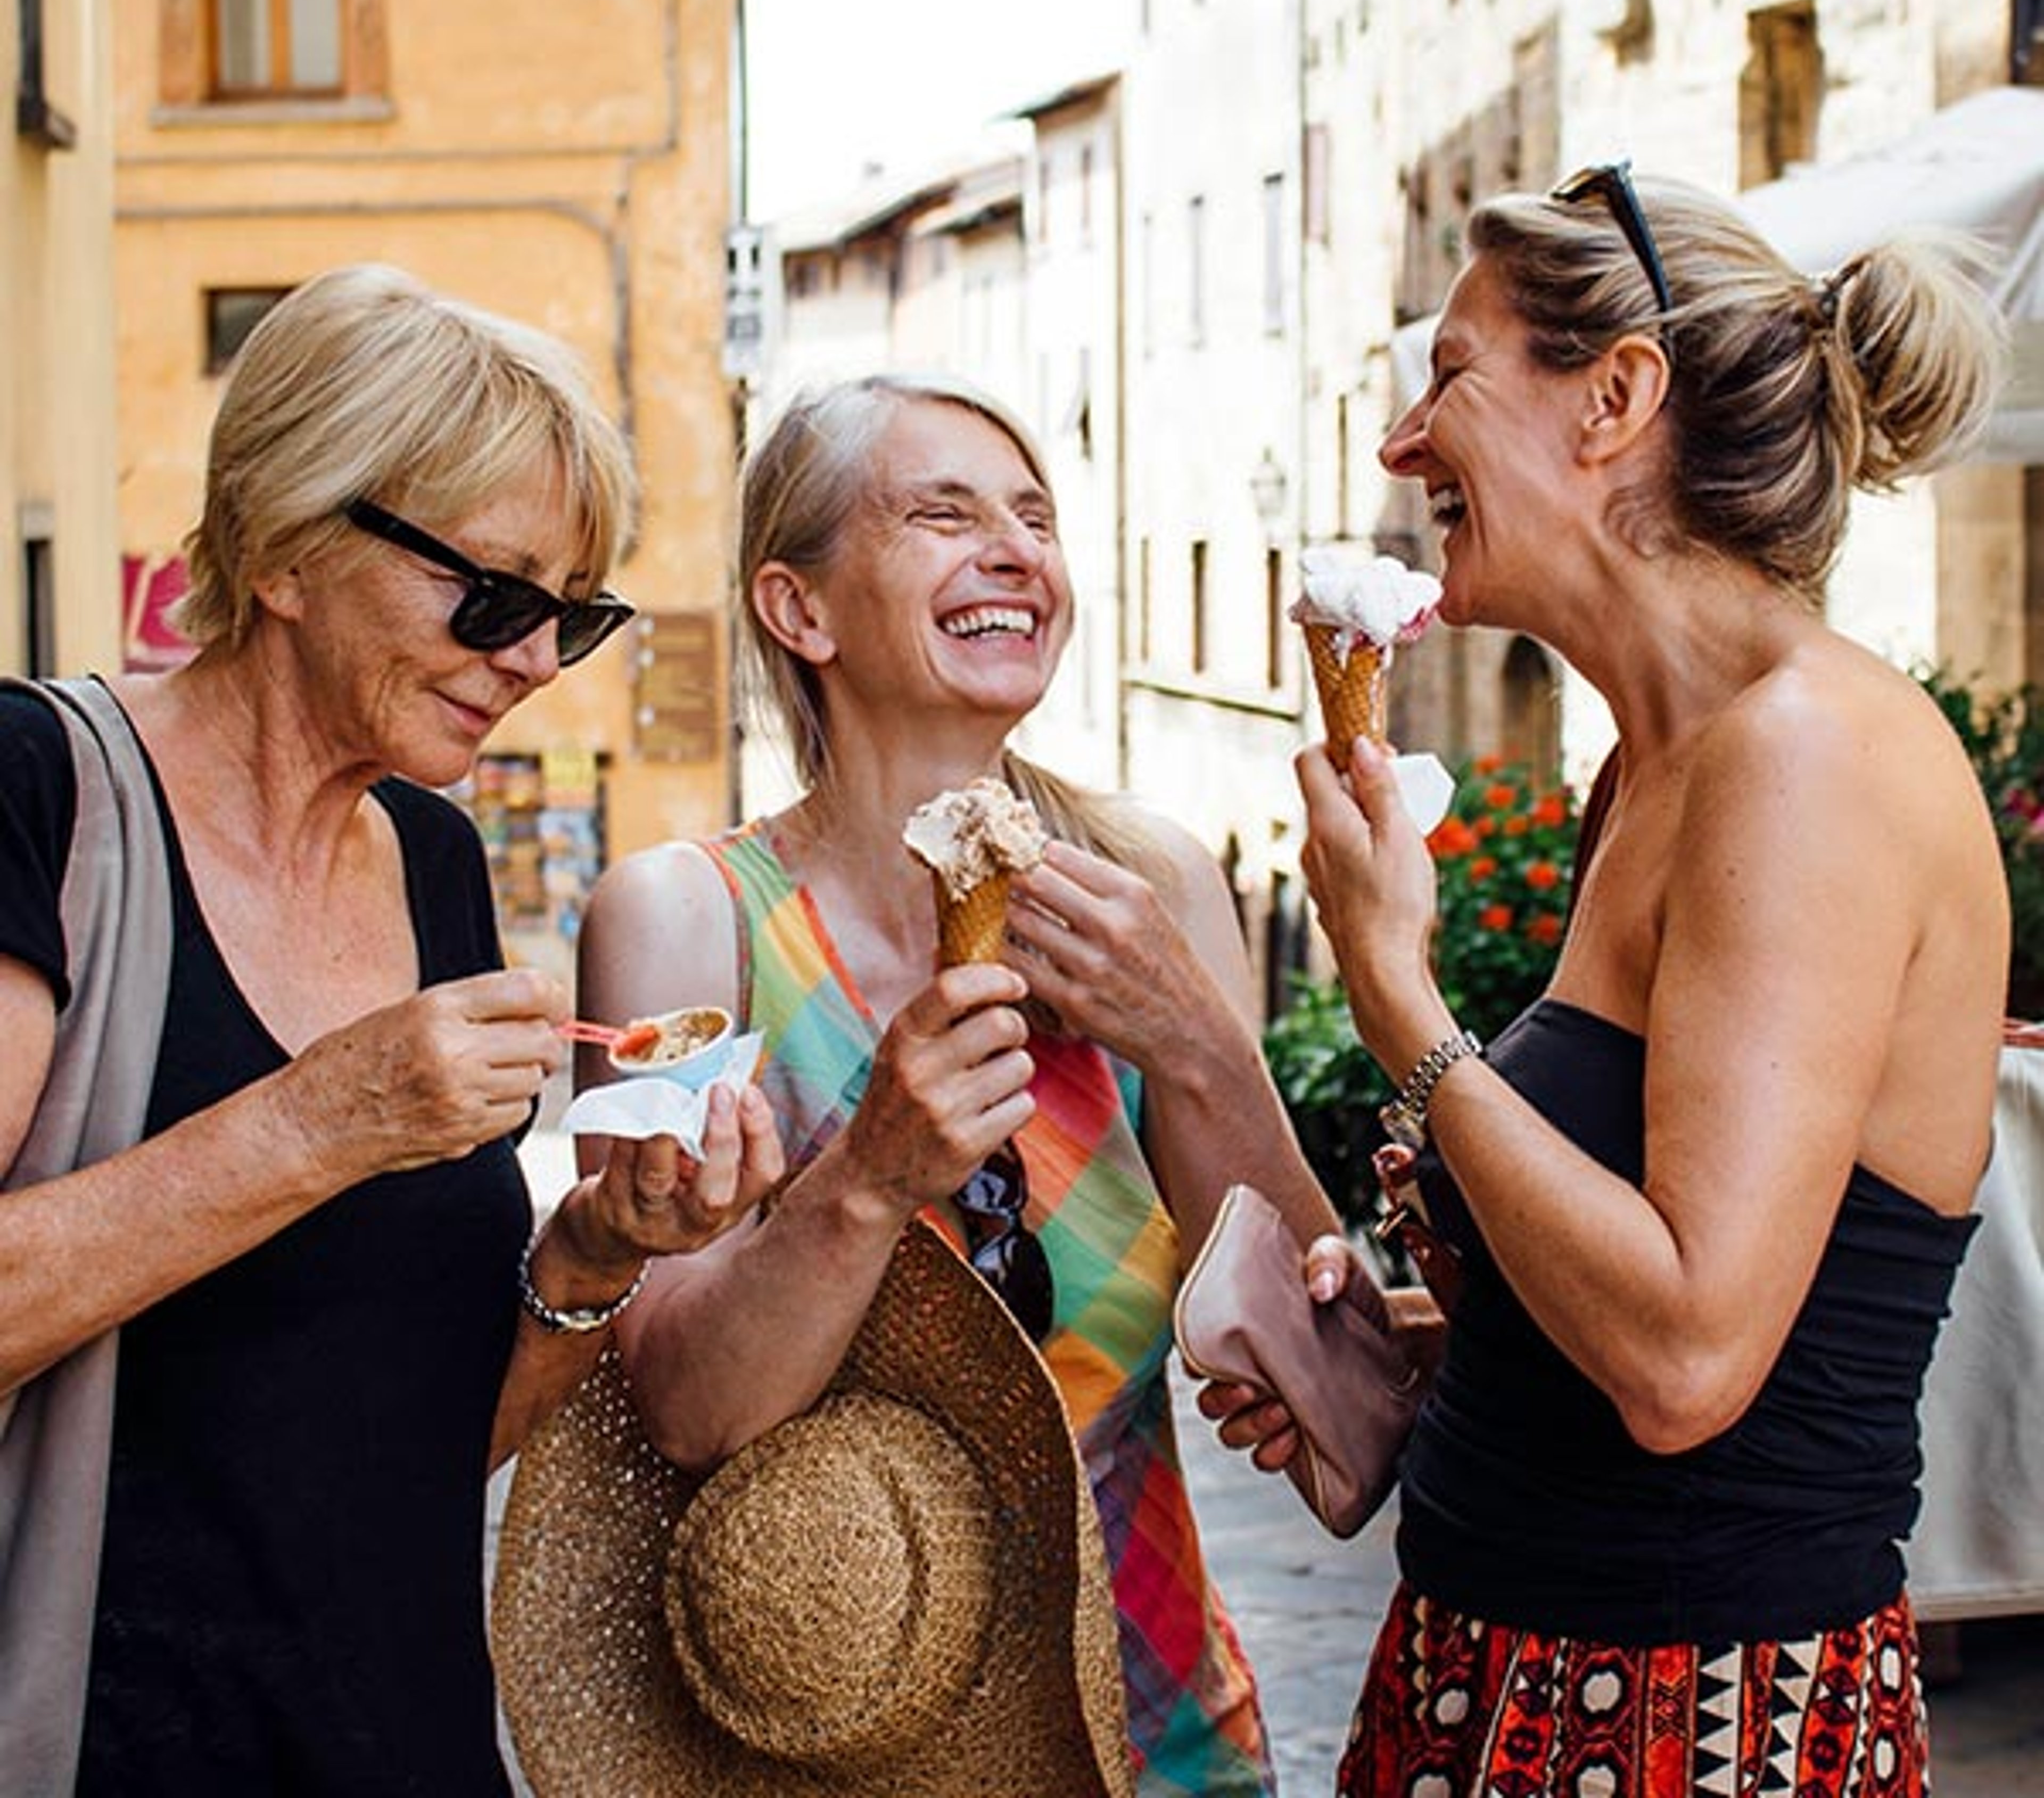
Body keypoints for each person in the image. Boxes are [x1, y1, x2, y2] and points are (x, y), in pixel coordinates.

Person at [1214, 165, 2010, 1796]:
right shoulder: (1648, 768)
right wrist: (1425, 1352)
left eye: (1451, 373)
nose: (1401, 441)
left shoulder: (1807, 761)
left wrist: (1406, 1012)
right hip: (1500, 1672)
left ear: (1617, 398)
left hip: (1691, 1718)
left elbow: (1687, 1361)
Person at [0, 264, 782, 1796]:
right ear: (289, 546)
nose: (537, 660)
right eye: (492, 596)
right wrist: (318, 1121)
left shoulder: (431, 856)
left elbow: (417, 1448)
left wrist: (596, 1257)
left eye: (575, 614)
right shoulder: (42, 788)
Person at [571, 372, 1344, 1797]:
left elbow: (1323, 1367)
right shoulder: (684, 926)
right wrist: (862, 1178)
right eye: (944, 515)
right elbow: (679, 1410)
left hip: (1160, 1735)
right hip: (826, 1757)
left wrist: (1194, 1041)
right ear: (798, 611)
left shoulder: (1152, 884)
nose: (1015, 551)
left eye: (1036, 519)